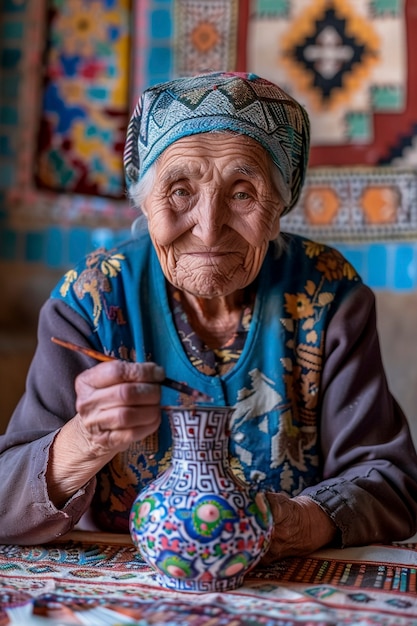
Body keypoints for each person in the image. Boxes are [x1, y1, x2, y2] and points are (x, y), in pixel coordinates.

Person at [0, 72, 416, 560]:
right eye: (179, 191)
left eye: (242, 192)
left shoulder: (328, 294)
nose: (208, 227)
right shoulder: (91, 299)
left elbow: (392, 480)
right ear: (145, 204)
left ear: (280, 205)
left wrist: (305, 521)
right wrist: (87, 439)